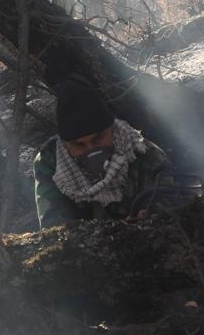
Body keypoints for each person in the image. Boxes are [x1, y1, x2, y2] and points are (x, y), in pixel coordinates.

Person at [33, 77, 170, 229]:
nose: (90, 149)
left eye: (98, 139)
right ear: (65, 144)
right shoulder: (50, 162)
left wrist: (147, 219)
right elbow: (54, 228)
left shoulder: (145, 153)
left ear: (112, 129)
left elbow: (165, 215)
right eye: (79, 145)